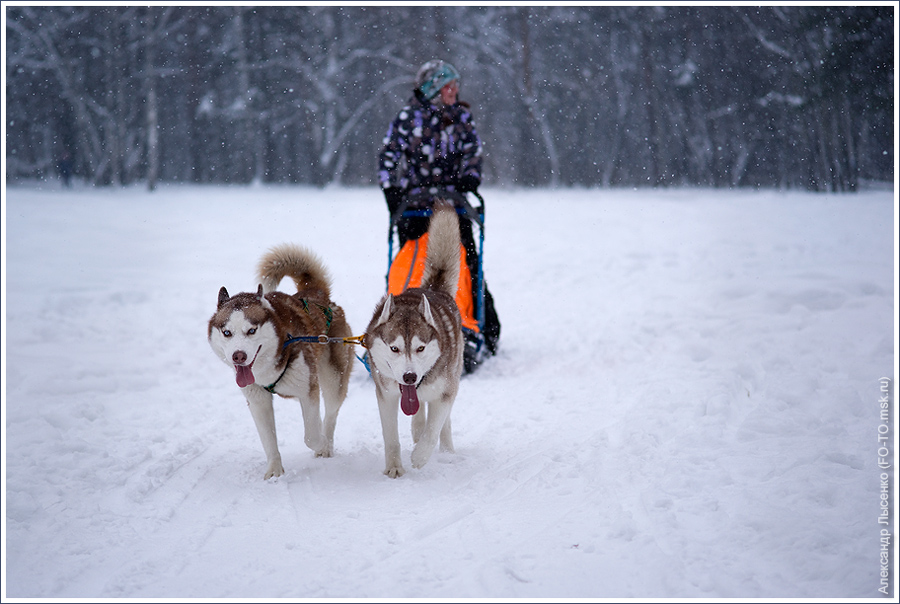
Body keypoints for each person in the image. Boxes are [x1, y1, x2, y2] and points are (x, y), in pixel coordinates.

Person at [378, 60, 500, 369]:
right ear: (433, 89)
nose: (455, 91)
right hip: (415, 205)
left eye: (456, 86)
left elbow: (473, 153)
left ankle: (476, 325)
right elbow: (389, 156)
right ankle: (401, 325)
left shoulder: (461, 117)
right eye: (449, 85)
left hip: (454, 204)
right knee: (412, 263)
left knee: (465, 263)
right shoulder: (408, 118)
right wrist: (392, 192)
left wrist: (469, 179)